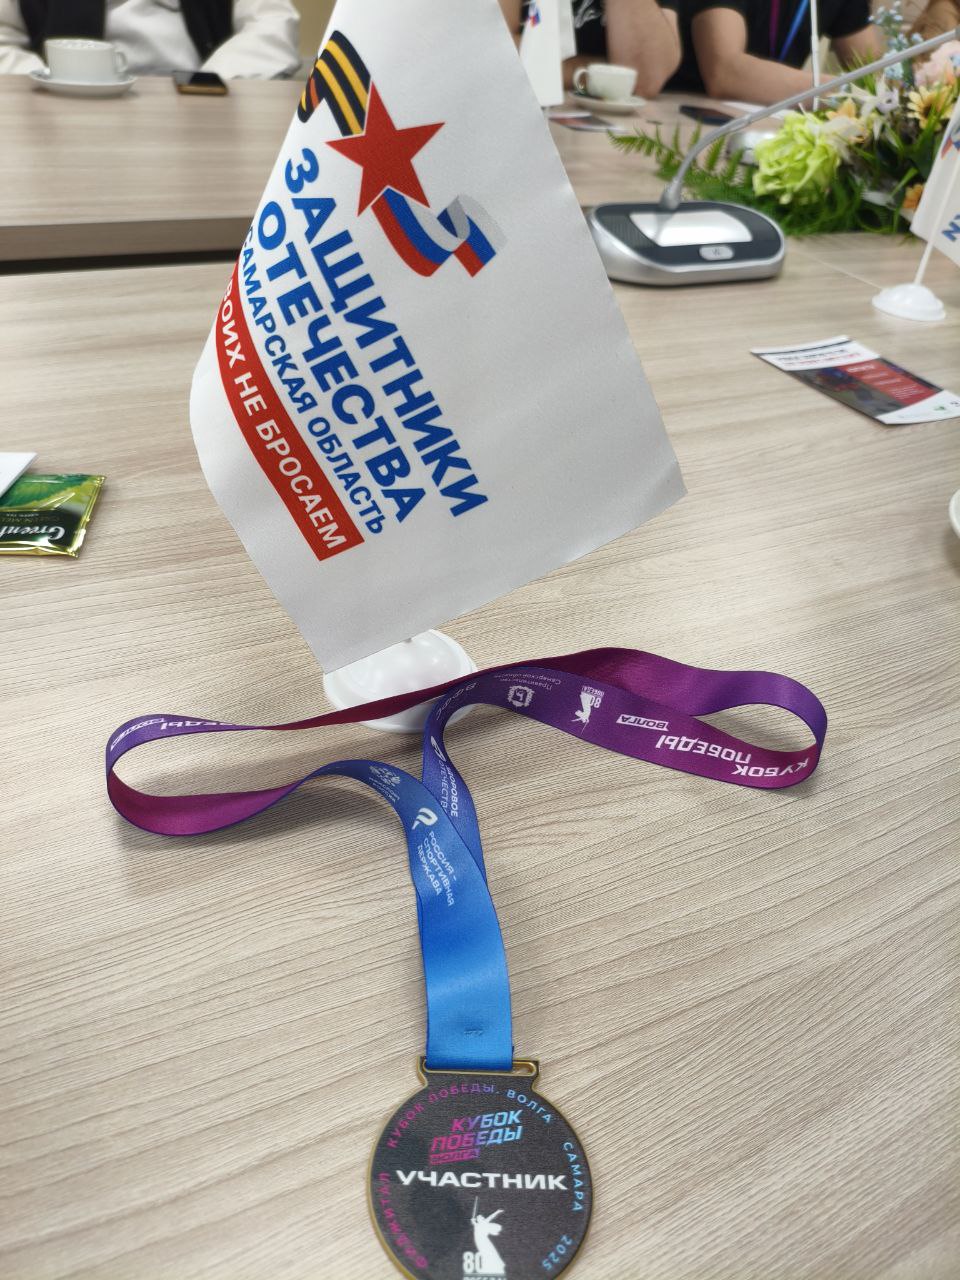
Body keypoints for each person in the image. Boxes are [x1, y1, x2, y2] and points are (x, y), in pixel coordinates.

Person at [0, 0, 300, 78]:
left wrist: (208, 83)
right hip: (65, 115)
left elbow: (272, 21)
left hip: (202, 111)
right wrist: (50, 80)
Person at [669, 0, 882, 104]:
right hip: (683, 115)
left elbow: (876, 75)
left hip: (764, 122)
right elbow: (726, 73)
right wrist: (849, 94)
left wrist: (884, 94)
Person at [499, 0, 682, 99]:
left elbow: (643, 80)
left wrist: (545, 64)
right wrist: (604, 74)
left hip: (616, 136)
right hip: (517, 108)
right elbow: (497, 49)